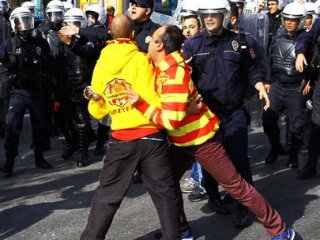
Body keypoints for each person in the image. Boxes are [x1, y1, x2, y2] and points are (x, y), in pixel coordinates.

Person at [126, 23, 296, 240]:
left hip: (202, 141)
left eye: (152, 39)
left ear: (159, 46)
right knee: (164, 183)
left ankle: (281, 231)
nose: (147, 41)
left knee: (237, 188)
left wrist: (140, 104)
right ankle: (180, 230)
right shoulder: (166, 64)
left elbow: (170, 120)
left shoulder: (173, 75)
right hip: (183, 141)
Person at [80, 15, 181, 240]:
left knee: (107, 195)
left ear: (110, 35)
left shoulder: (101, 65)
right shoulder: (143, 60)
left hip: (122, 138)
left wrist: (96, 98)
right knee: (164, 192)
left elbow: (97, 111)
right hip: (152, 135)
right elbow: (160, 95)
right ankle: (173, 236)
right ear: (133, 35)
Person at [181, 0, 270, 227]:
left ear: (224, 16)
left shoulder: (240, 41)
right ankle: (213, 197)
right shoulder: (191, 46)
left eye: (215, 14)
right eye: (206, 14)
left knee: (239, 159)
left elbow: (253, 68)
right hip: (205, 115)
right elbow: (179, 76)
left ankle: (244, 207)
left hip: (234, 113)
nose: (210, 18)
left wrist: (257, 85)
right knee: (211, 160)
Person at [0, 7, 52, 177]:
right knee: (12, 125)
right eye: (21, 22)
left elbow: (50, 62)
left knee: (41, 125)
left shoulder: (41, 42)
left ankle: (39, 157)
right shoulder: (9, 43)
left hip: (38, 90)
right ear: (14, 24)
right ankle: (9, 161)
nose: (25, 25)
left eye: (27, 21)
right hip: (18, 91)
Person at [263, 2, 308, 169]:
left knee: (297, 125)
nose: (289, 22)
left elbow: (313, 64)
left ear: (301, 21)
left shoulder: (306, 41)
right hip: (276, 85)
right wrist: (267, 81)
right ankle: (275, 148)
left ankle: (294, 155)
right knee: (267, 119)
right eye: (286, 19)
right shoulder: (277, 37)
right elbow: (269, 60)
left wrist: (308, 82)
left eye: (293, 20)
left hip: (296, 88)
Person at [295, 13, 320, 179]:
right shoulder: (318, 24)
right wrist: (300, 52)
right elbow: (305, 36)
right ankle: (311, 164)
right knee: (317, 125)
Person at [0, 0, 10, 138]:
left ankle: (2, 123)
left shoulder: (4, 22)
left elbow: (6, 41)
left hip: (2, 63)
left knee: (3, 94)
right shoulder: (4, 22)